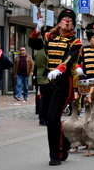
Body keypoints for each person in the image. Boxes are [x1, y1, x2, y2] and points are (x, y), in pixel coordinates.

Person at [29, 9, 82, 165]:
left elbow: (69, 59)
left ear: (72, 25)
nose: (67, 21)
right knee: (48, 118)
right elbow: (33, 44)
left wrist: (58, 70)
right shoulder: (48, 37)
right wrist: (37, 30)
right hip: (48, 82)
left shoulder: (75, 42)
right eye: (64, 19)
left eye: (70, 20)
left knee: (53, 117)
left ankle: (55, 155)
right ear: (59, 22)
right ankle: (64, 144)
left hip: (63, 82)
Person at [32, 48, 47, 126]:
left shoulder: (38, 52)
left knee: (41, 97)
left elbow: (36, 64)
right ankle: (43, 118)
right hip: (46, 76)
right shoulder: (47, 50)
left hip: (39, 76)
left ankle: (41, 117)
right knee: (46, 99)